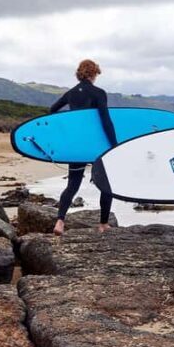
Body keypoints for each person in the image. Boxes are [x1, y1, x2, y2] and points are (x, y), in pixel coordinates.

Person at [49, 59, 118, 236]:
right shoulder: (99, 93)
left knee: (72, 184)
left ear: (80, 74)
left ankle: (60, 221)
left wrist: (64, 132)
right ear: (94, 73)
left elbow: (52, 110)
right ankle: (103, 224)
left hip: (76, 146)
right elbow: (105, 120)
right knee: (106, 184)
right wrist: (114, 145)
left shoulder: (70, 94)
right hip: (96, 147)